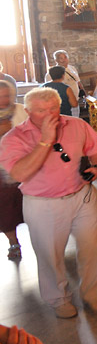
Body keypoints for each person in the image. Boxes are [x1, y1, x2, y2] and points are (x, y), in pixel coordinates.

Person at [0, 87, 97, 319]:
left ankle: (93, 293)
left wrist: (96, 167)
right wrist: (45, 141)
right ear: (28, 112)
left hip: (81, 196)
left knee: (91, 247)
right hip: (43, 204)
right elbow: (20, 173)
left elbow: (95, 151)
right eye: (41, 110)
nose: (49, 114)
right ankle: (59, 299)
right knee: (50, 254)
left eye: (53, 109)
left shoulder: (76, 125)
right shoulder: (14, 138)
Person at [0, 80, 28, 261]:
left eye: (6, 95)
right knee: (5, 211)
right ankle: (13, 242)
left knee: (31, 205)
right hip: (2, 174)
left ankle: (44, 241)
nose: (3, 99)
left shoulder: (21, 110)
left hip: (26, 168)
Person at [44, 51, 83, 117]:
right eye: (61, 58)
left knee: (75, 119)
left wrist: (82, 92)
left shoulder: (72, 68)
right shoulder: (52, 73)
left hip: (75, 99)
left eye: (65, 57)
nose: (64, 60)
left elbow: (78, 81)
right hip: (62, 104)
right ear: (56, 60)